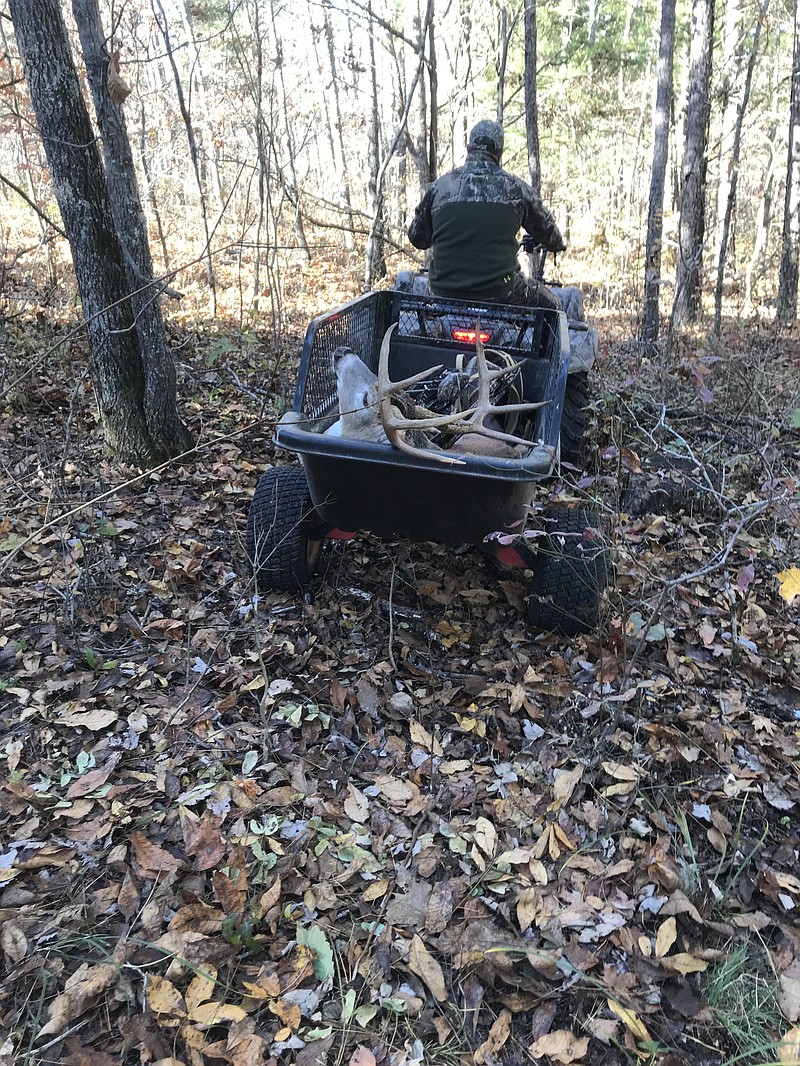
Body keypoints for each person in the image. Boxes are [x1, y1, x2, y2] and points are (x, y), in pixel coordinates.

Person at [407, 119, 565, 308]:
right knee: (554, 305)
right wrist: (557, 244)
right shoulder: (516, 189)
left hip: (442, 291)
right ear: (499, 153)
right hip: (501, 292)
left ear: (468, 148)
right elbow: (550, 234)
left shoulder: (440, 188)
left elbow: (417, 238)